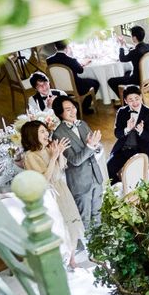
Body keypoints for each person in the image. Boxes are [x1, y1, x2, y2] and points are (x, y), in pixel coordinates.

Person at [21, 120, 85, 267]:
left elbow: (61, 167)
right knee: (58, 226)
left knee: (71, 221)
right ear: (32, 135)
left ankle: (72, 258)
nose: (47, 134)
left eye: (46, 130)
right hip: (49, 194)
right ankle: (60, 260)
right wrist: (54, 156)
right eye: (42, 132)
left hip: (61, 188)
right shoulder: (30, 156)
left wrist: (59, 153)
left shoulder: (48, 148)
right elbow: (44, 179)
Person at [51, 96, 103, 233]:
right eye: (68, 109)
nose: (73, 111)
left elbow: (95, 147)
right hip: (80, 182)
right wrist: (90, 146)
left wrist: (96, 146)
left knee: (98, 213)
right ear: (60, 113)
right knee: (85, 219)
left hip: (95, 176)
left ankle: (101, 241)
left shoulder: (82, 124)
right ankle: (89, 245)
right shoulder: (58, 134)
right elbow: (75, 160)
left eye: (73, 107)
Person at [106, 85, 149, 184]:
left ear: (141, 97)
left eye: (137, 99)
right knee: (108, 169)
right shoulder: (122, 112)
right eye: (130, 100)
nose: (135, 103)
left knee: (132, 174)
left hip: (141, 150)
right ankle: (120, 188)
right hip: (124, 149)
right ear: (125, 101)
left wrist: (141, 131)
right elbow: (117, 134)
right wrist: (127, 129)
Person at [46, 41, 100, 113]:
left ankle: (76, 105)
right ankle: (85, 108)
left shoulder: (49, 60)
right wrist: (81, 64)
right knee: (95, 83)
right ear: (67, 47)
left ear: (55, 47)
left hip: (58, 88)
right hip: (76, 87)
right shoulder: (71, 60)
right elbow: (80, 71)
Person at [109, 25, 149, 96]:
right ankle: (130, 92)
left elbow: (122, 59)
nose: (131, 37)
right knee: (127, 71)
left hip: (138, 80)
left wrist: (121, 45)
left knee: (111, 81)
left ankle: (124, 99)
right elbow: (136, 51)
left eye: (131, 36)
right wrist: (125, 45)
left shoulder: (134, 52)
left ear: (134, 37)